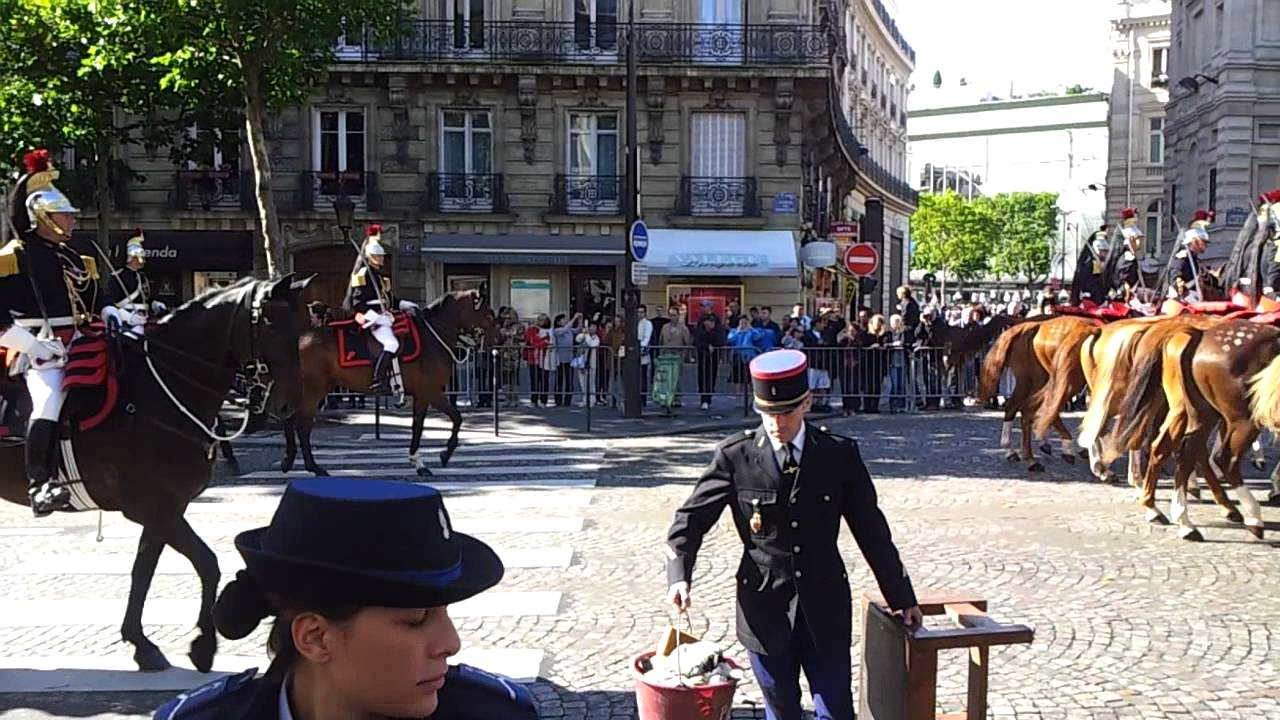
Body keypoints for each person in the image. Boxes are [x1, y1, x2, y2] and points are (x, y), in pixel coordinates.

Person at [664, 350, 922, 720]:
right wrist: (679, 577)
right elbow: (689, 521)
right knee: (782, 711)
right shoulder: (735, 456)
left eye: (785, 412)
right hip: (764, 609)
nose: (776, 423)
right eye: (767, 412)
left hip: (825, 606)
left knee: (836, 711)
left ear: (807, 402)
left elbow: (872, 530)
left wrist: (901, 596)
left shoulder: (837, 454)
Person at [153, 478, 536, 720]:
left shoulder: (498, 714)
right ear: (315, 637)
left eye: (445, 613)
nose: (450, 643)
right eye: (416, 620)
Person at [0, 149, 105, 516]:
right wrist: (32, 345)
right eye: (65, 214)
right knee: (49, 399)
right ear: (44, 217)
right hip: (36, 351)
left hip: (82, 341)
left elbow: (96, 299)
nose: (73, 219)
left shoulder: (73, 257)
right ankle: (40, 484)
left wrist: (112, 311)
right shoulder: (14, 257)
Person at [343, 225, 418, 393]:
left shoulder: (382, 278)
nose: (383, 258)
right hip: (371, 319)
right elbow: (357, 303)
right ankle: (378, 379)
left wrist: (405, 304)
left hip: (385, 317)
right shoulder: (361, 275)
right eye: (379, 256)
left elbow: (390, 301)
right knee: (391, 343)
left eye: (382, 255)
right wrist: (377, 317)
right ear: (371, 257)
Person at [103, 228, 166, 337]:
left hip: (144, 319)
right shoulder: (119, 276)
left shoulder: (142, 277)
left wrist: (155, 304)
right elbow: (112, 302)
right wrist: (127, 316)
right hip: (126, 322)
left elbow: (145, 299)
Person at [1167, 209, 1214, 302]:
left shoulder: (1195, 259)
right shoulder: (1182, 256)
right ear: (1194, 241)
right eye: (1203, 242)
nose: (1206, 245)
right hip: (1183, 299)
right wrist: (1180, 285)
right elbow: (1176, 277)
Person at [1102, 208, 1146, 302]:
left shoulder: (1127, 232)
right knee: (1126, 284)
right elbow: (1135, 246)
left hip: (1126, 262)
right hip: (1126, 263)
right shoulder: (1131, 233)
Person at [1069, 226, 1111, 305]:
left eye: (1106, 251)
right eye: (1103, 251)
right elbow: (1094, 284)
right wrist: (1101, 300)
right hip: (1092, 300)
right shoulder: (1094, 263)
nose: (1105, 254)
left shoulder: (1095, 261)